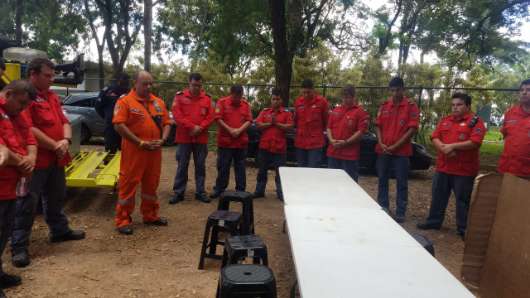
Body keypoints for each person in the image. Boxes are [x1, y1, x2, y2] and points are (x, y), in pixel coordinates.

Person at [11, 58, 85, 268]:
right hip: (35, 160)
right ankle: (19, 247)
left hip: (56, 157)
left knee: (56, 196)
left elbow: (64, 121)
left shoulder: (51, 96)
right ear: (33, 74)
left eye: (53, 75)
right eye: (47, 76)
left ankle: (59, 231)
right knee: (26, 203)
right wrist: (55, 144)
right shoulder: (24, 96)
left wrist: (66, 140)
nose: (52, 79)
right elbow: (27, 128)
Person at [417, 93, 485, 238]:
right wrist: (442, 147)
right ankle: (434, 221)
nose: (455, 108)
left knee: (462, 200)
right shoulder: (446, 120)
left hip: (464, 170)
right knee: (438, 196)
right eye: (453, 105)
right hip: (443, 167)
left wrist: (453, 146)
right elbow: (434, 136)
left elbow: (475, 142)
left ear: (468, 106)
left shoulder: (476, 122)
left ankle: (463, 228)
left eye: (459, 105)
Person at [112, 70, 171, 235]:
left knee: (151, 184)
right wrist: (139, 142)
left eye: (151, 83)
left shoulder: (158, 102)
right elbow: (118, 125)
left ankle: (150, 215)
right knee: (129, 183)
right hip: (134, 151)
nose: (149, 87)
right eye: (145, 84)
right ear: (135, 83)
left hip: (154, 152)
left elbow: (167, 123)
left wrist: (163, 140)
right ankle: (123, 220)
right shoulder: (125, 102)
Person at [0, 80, 37, 296]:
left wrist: (31, 157)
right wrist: (21, 162)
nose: (22, 109)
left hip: (11, 186)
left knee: (4, 232)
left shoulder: (17, 114)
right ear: (9, 94)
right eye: (21, 103)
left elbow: (29, 137)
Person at [375, 77, 419, 223]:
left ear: (403, 89)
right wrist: (381, 142)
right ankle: (383, 206)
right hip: (383, 150)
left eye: (397, 90)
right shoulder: (384, 106)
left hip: (401, 152)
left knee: (401, 182)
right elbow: (378, 125)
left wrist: (395, 146)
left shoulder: (411, 107)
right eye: (392, 90)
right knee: (382, 179)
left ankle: (400, 211)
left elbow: (411, 130)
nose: (395, 93)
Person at [170, 73, 214, 204]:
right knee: (182, 165)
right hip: (184, 138)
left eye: (199, 85)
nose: (197, 88)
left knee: (200, 166)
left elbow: (211, 116)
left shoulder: (207, 99)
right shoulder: (180, 97)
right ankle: (179, 193)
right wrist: (191, 127)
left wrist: (200, 127)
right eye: (194, 85)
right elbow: (177, 115)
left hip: (201, 138)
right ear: (189, 83)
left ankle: (200, 192)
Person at [210, 85, 252, 198]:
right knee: (223, 167)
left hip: (240, 143)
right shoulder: (222, 102)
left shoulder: (246, 105)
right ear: (231, 93)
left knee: (241, 167)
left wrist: (239, 130)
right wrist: (230, 130)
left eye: (240, 97)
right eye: (235, 97)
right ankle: (219, 189)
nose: (237, 99)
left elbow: (249, 120)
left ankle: (241, 190)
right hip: (225, 142)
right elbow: (217, 118)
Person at [252, 88, 293, 200]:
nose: (275, 101)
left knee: (280, 173)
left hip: (279, 148)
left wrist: (277, 124)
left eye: (277, 99)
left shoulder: (286, 113)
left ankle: (280, 193)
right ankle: (259, 191)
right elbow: (258, 125)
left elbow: (289, 127)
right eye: (273, 99)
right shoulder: (265, 112)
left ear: (281, 100)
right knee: (262, 170)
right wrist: (270, 123)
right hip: (265, 147)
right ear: (271, 100)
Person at [326, 85, 369, 182]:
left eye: (348, 97)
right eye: (344, 96)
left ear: (354, 97)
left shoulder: (360, 112)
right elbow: (329, 127)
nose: (345, 99)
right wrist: (331, 140)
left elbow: (360, 131)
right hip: (333, 152)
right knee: (332, 182)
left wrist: (346, 142)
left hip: (349, 155)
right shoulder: (335, 110)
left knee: (350, 183)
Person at [497, 79, 530, 178]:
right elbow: (506, 135)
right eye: (521, 90)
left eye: (528, 90)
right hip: (507, 170)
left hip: (527, 174)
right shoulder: (510, 113)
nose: (524, 92)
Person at [294, 79, 329, 167]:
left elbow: (326, 121)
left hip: (315, 144)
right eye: (304, 92)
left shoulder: (322, 102)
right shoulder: (298, 102)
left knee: (313, 171)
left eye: (308, 92)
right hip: (301, 142)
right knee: (301, 170)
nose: (306, 95)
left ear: (313, 90)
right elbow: (296, 120)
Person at [95, 73, 130, 153]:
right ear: (118, 80)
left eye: (127, 80)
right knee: (110, 152)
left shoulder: (130, 92)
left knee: (126, 152)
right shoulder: (107, 90)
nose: (125, 82)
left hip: (126, 128)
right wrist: (107, 117)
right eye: (123, 79)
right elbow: (98, 106)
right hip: (111, 127)